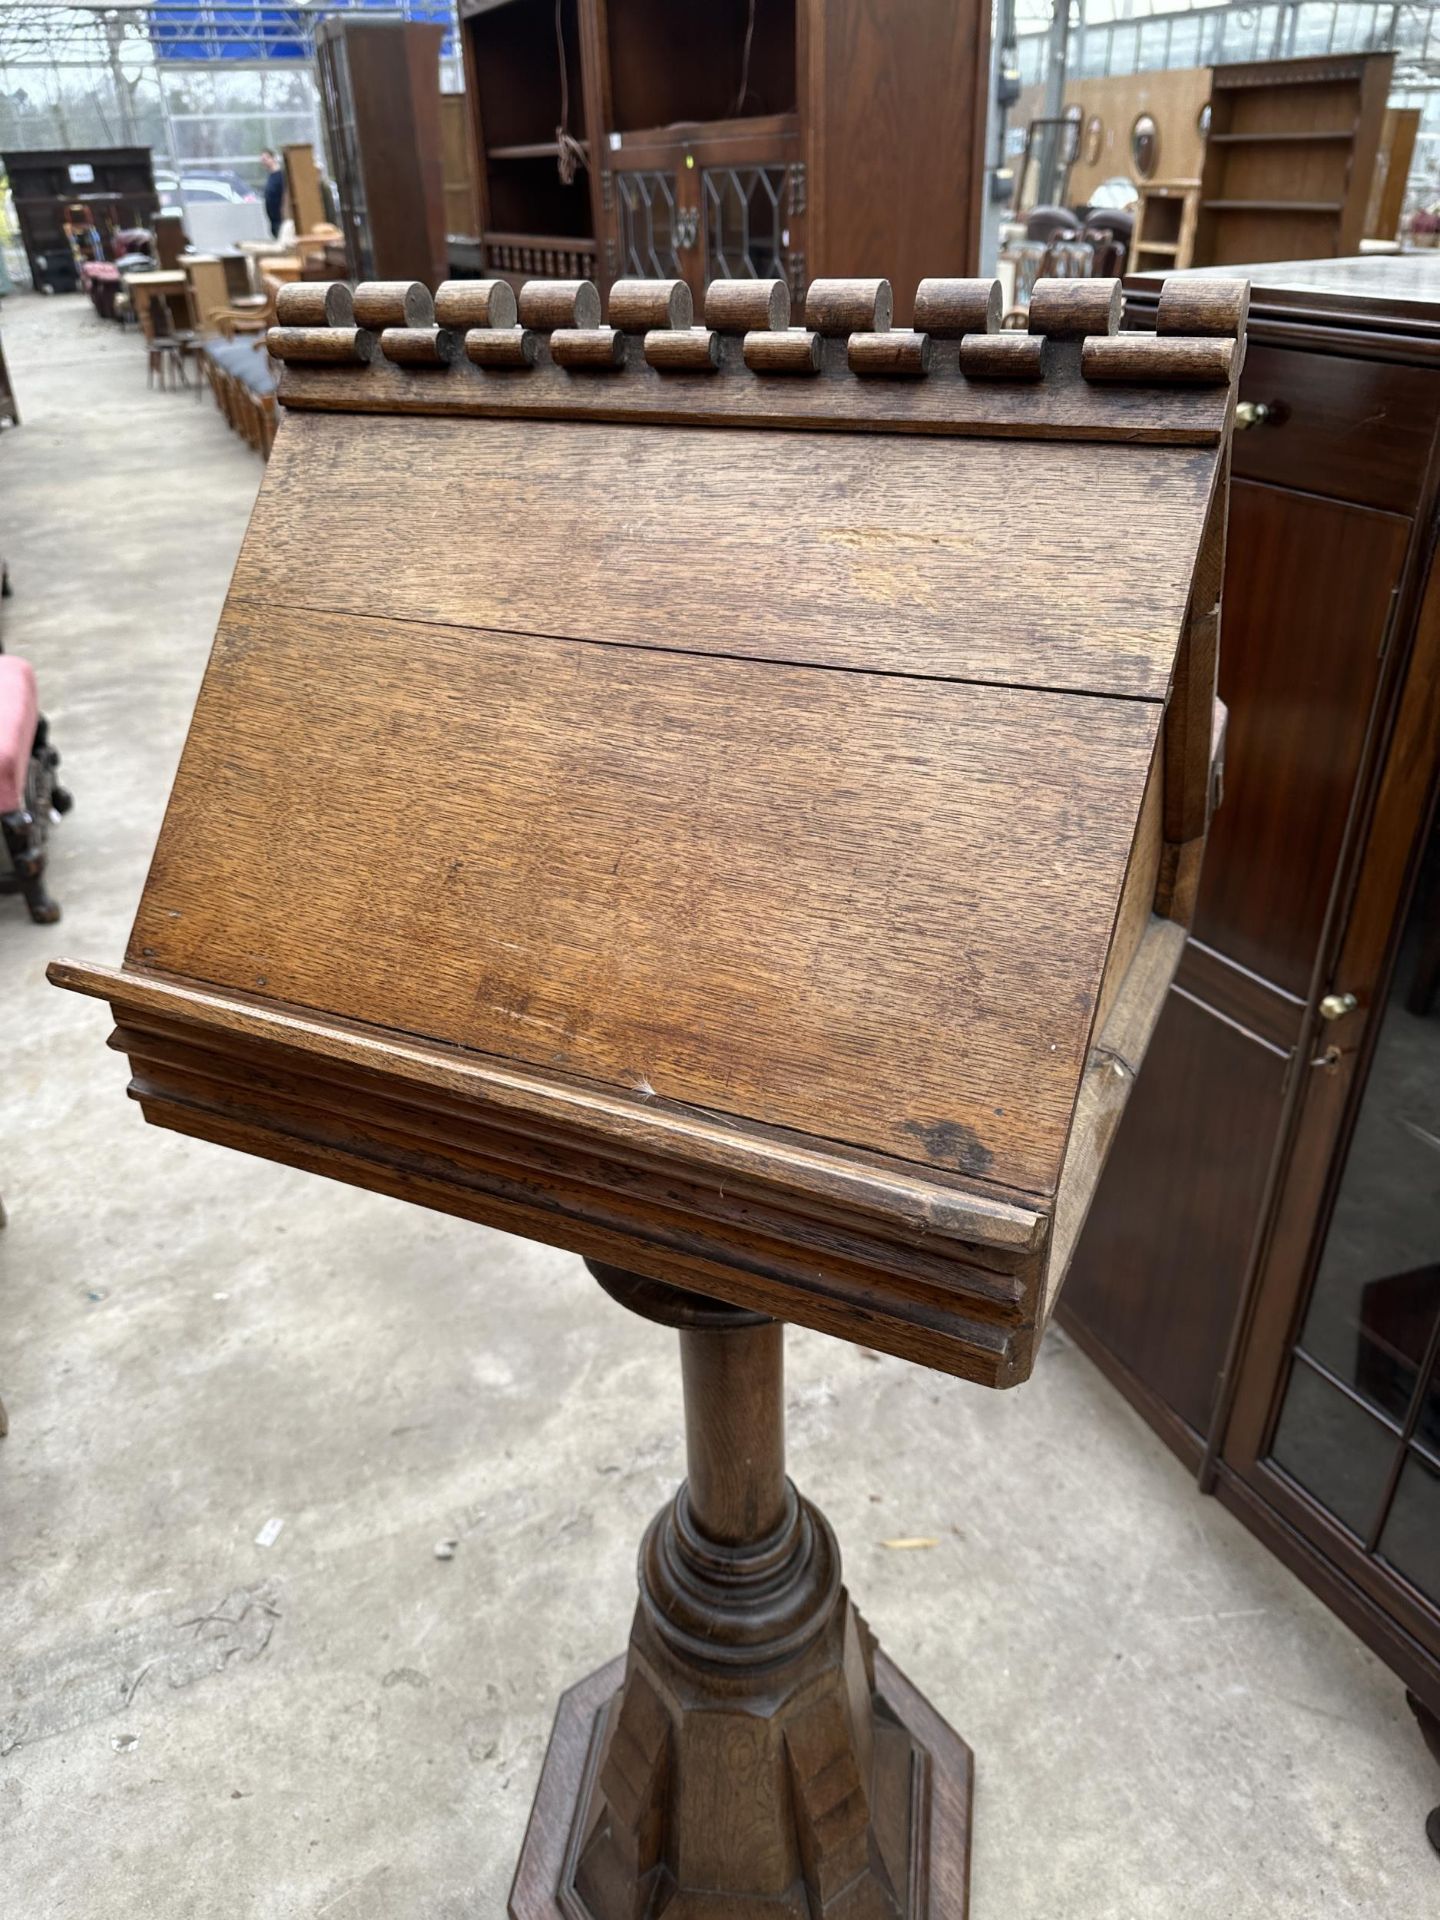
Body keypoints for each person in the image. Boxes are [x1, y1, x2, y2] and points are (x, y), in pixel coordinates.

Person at [261, 149, 284, 238]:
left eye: (266, 159)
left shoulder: (280, 176)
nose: (264, 162)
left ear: (273, 158)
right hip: (273, 220)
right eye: (262, 160)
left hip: (280, 219)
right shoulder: (271, 177)